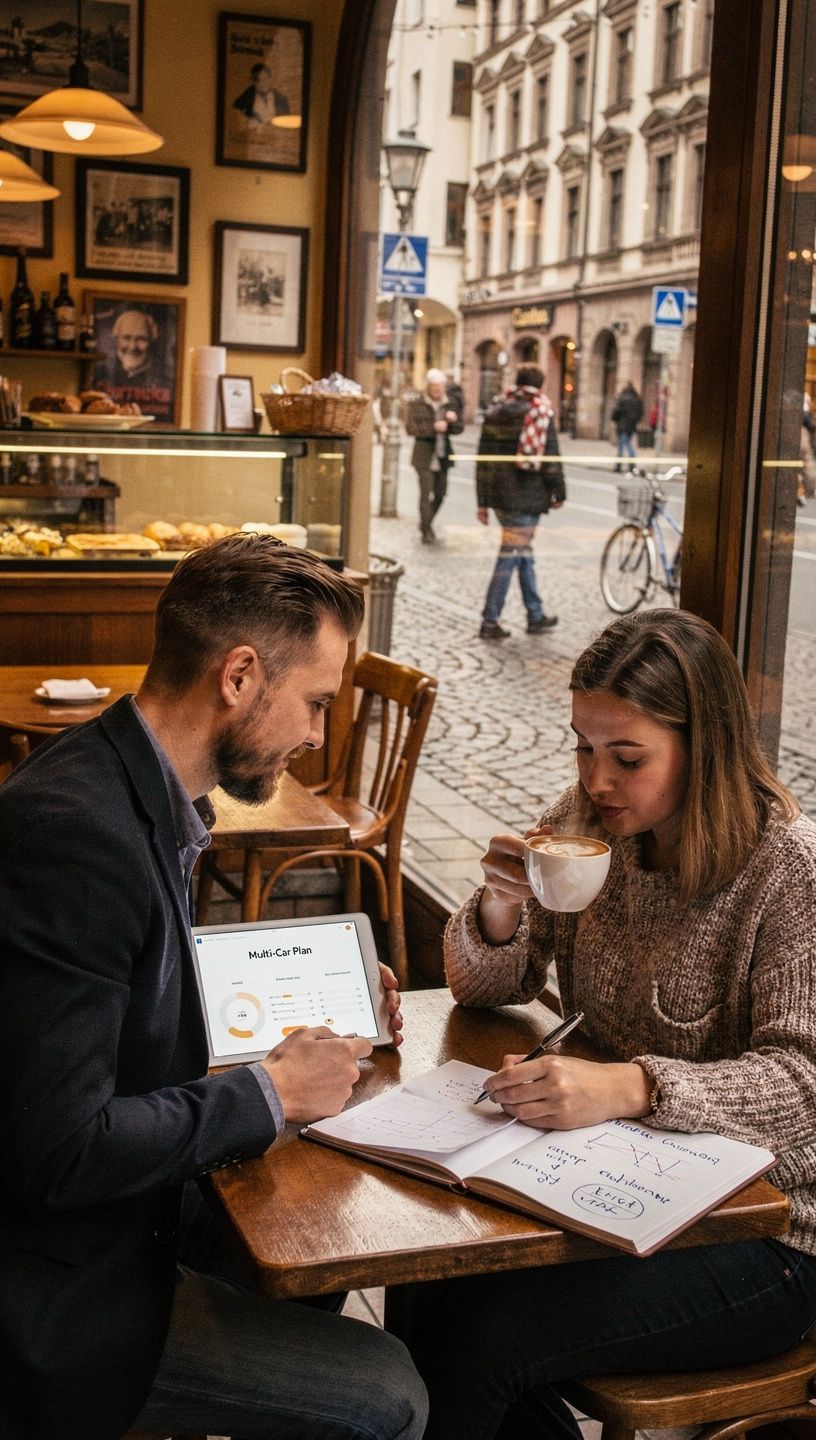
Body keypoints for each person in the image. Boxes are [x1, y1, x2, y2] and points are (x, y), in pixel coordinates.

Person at [0, 535, 429, 1440]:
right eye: (314, 703)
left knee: (324, 1247)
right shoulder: (80, 838)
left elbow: (125, 992)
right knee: (389, 1391)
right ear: (239, 675)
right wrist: (270, 1091)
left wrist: (312, 992)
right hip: (54, 1291)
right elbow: (58, 1151)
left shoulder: (129, 781)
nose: (318, 736)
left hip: (108, 1222)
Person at [385, 607, 816, 1440]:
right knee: (426, 1278)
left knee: (480, 1338)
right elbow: (483, 988)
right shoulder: (591, 823)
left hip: (775, 1235)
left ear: (706, 748)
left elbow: (805, 1084)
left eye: (627, 757)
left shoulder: (787, 869)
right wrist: (502, 905)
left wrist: (630, 1086)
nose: (595, 780)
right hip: (624, 1180)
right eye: (584, 746)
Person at [475, 364, 566, 640]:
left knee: (523, 554)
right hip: (526, 499)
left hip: (500, 499)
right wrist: (559, 492)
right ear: (539, 385)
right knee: (510, 556)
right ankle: (490, 620)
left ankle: (535, 614)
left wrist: (482, 501)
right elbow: (550, 457)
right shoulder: (540, 412)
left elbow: (483, 460)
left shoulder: (496, 410)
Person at [404, 368, 464, 543]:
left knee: (441, 493)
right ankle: (427, 530)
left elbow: (459, 428)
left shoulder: (449, 403)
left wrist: (453, 422)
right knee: (425, 493)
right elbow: (410, 428)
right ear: (428, 387)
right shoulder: (417, 404)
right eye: (434, 386)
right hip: (423, 456)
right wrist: (433, 428)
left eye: (440, 386)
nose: (437, 390)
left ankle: (425, 522)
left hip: (442, 455)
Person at [233, 61, 290, 126]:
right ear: (254, 82)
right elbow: (239, 120)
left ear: (271, 79)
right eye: (258, 81)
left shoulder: (281, 99)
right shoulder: (247, 98)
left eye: (265, 79)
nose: (262, 83)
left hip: (276, 134)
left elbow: (286, 123)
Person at [610, 381, 643, 470]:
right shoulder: (637, 399)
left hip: (622, 425)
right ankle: (629, 465)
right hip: (632, 426)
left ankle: (621, 465)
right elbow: (641, 413)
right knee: (626, 443)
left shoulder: (622, 398)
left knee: (624, 445)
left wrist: (615, 419)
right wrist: (635, 421)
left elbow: (616, 411)